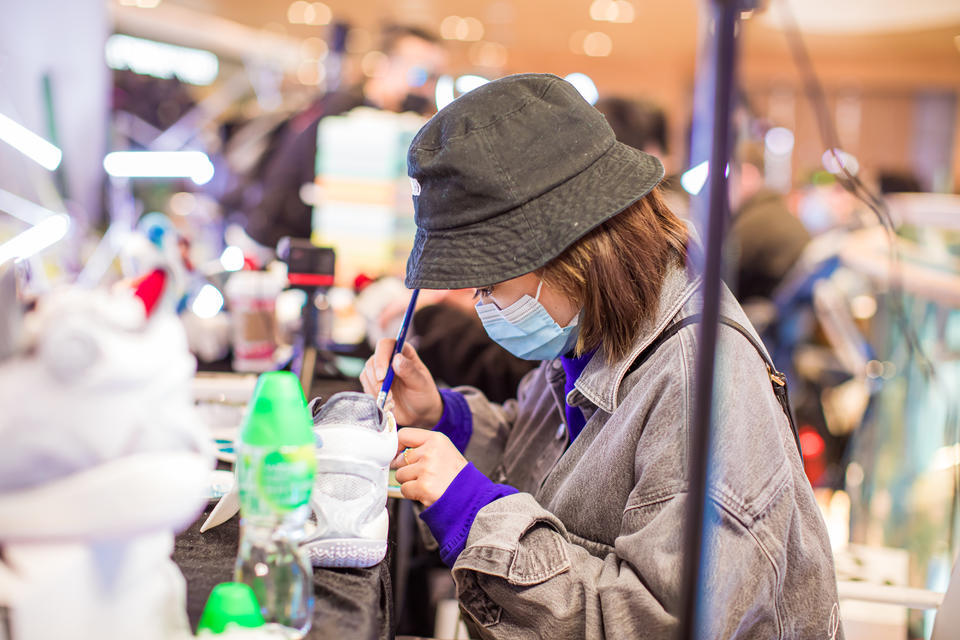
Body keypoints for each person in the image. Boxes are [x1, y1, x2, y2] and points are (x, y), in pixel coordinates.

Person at [360, 73, 841, 638]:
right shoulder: (600, 322)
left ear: (573, 250)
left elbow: (655, 623)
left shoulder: (701, 388)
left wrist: (470, 509)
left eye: (489, 281)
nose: (480, 302)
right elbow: (558, 457)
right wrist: (447, 419)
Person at [238, 25, 446, 249]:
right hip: (282, 239)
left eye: (435, 78)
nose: (426, 88)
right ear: (384, 65)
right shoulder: (344, 111)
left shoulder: (400, 125)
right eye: (421, 74)